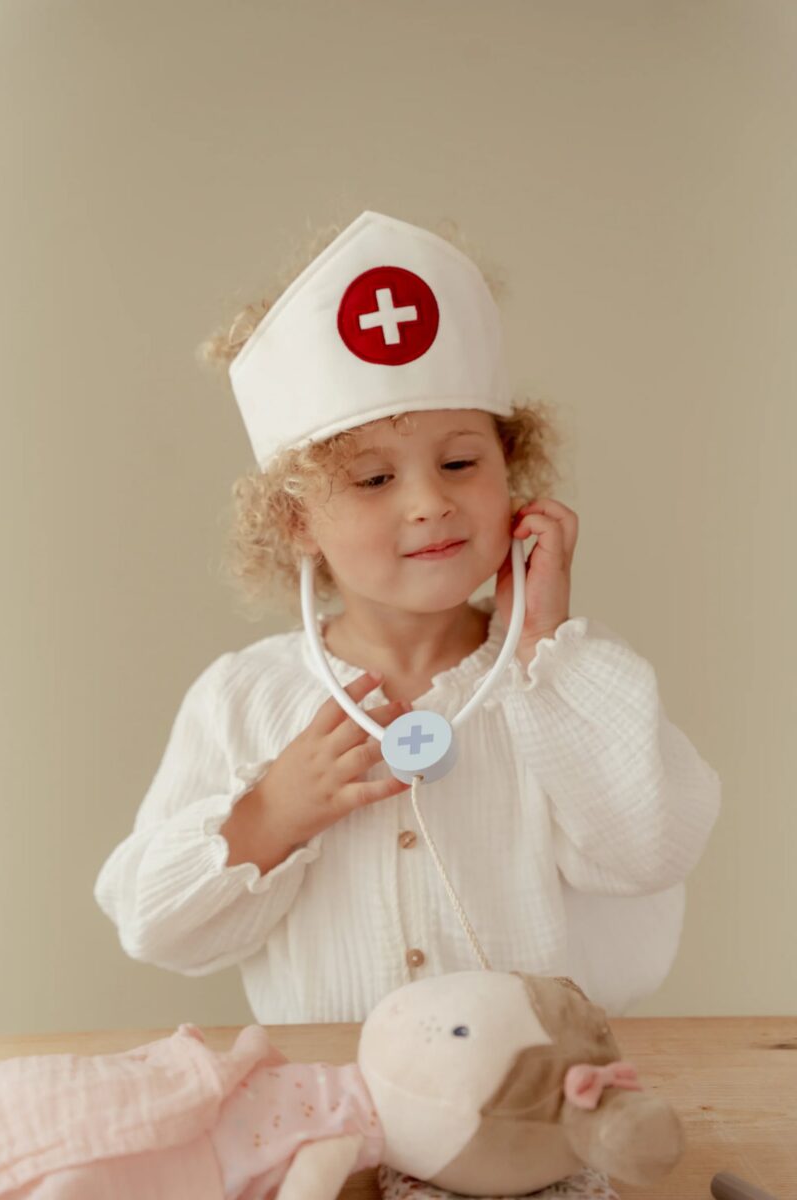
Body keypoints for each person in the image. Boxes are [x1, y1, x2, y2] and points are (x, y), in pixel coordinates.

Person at [94, 210, 721, 1022]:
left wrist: (542, 648)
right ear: (295, 520)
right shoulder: (242, 699)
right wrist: (271, 815)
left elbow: (649, 852)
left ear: (511, 473)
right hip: (337, 1091)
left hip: (538, 1088)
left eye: (460, 462)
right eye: (373, 480)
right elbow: (152, 926)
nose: (430, 502)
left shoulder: (565, 682)